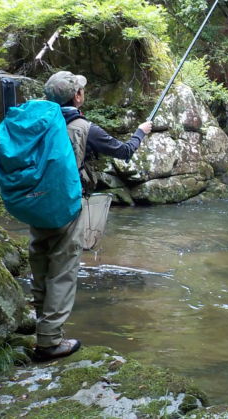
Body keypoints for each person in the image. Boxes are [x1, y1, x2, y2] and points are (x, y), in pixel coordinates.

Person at [30, 71, 152, 360]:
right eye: (81, 90)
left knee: (40, 263)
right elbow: (124, 151)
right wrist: (141, 132)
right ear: (78, 96)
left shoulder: (36, 123)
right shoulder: (85, 127)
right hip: (65, 205)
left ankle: (41, 326)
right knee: (62, 271)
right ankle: (49, 342)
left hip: (34, 203)